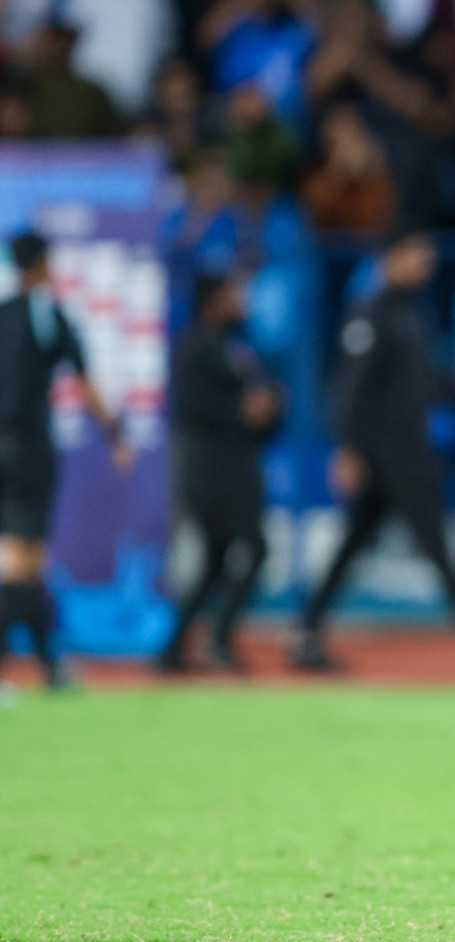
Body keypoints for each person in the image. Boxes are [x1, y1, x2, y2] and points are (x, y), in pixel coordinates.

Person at [290, 229, 455, 671]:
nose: (426, 262)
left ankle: (306, 628)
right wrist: (349, 449)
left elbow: (433, 383)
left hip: (406, 450)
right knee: (431, 541)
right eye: (417, 253)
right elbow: (351, 386)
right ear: (392, 256)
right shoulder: (371, 312)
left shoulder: (412, 313)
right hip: (384, 454)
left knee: (357, 543)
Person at [0, 232, 132, 690]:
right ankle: (41, 665)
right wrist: (116, 433)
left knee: (24, 560)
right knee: (22, 559)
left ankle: (47, 665)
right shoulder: (46, 316)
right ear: (41, 265)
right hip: (26, 447)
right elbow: (84, 381)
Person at [156, 275, 280, 674]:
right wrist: (243, 413)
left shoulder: (236, 348)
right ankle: (218, 639)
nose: (242, 298)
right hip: (212, 474)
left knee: (216, 562)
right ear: (213, 301)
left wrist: (266, 412)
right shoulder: (197, 349)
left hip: (234, 469)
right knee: (253, 550)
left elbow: (254, 414)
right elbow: (194, 409)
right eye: (233, 292)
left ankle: (175, 649)